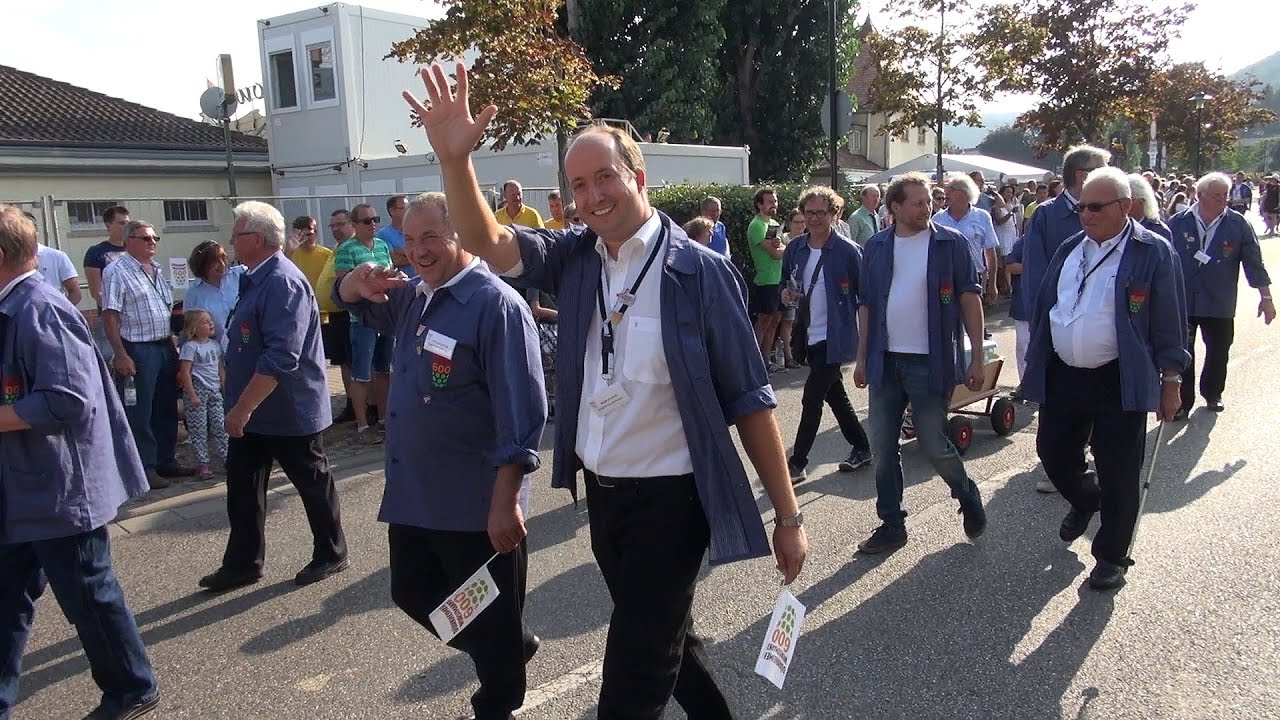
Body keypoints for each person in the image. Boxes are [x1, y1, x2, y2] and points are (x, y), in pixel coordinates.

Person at [404, 62, 806, 719]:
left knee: (630, 684)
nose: (591, 197)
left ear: (638, 178)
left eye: (605, 178)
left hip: (674, 506)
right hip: (604, 498)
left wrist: (788, 518)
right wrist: (456, 161)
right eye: (578, 185)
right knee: (667, 645)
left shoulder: (699, 273)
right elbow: (487, 242)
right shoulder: (575, 256)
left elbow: (751, 402)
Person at [337, 191, 546, 720]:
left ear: (459, 235)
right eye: (409, 239)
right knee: (411, 590)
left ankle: (497, 696)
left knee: (491, 612)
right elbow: (355, 305)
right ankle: (505, 649)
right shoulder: (415, 296)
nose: (419, 250)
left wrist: (507, 501)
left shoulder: (495, 304)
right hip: (415, 494)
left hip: (475, 502)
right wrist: (352, 280)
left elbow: (521, 412)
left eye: (431, 236)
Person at [0, 205, 161, 720]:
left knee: (89, 595)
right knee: (6, 600)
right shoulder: (14, 306)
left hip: (58, 488)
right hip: (24, 487)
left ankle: (132, 687)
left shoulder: (38, 308)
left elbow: (67, 398)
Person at [1020, 167, 1190, 590]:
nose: (1086, 215)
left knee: (1118, 470)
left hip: (1118, 375)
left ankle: (1111, 556)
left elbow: (1170, 322)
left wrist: (1172, 381)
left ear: (1125, 206)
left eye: (1096, 207)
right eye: (1081, 206)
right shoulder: (1070, 248)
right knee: (1052, 452)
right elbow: (1047, 305)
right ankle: (1085, 497)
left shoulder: (1153, 251)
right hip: (1065, 373)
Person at [198, 201, 348, 592]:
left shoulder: (282, 280)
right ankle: (244, 563)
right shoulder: (254, 277)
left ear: (260, 239)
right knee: (243, 489)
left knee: (312, 483)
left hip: (285, 407)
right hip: (253, 409)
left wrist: (242, 407)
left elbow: (283, 355)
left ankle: (332, 552)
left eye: (238, 232)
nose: (231, 238)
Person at [852, 172, 988, 554]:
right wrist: (861, 358)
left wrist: (976, 356)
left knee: (932, 441)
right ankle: (892, 524)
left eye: (929, 201)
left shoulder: (951, 244)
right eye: (918, 202)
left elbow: (969, 300)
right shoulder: (877, 246)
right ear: (894, 207)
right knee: (881, 445)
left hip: (931, 361)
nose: (927, 208)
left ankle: (966, 493)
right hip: (885, 360)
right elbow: (866, 305)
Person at [782, 186, 872, 483]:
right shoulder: (795, 248)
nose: (816, 219)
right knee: (835, 395)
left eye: (822, 212)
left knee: (812, 396)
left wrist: (865, 349)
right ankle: (861, 446)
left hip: (837, 336)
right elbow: (787, 284)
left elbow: (866, 299)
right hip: (808, 335)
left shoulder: (848, 252)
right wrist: (787, 294)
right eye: (810, 213)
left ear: (835, 214)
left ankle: (796, 463)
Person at [1167, 172, 1274, 418]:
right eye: (1216, 196)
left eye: (1225, 195)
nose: (1222, 200)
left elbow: (1253, 263)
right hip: (1184, 300)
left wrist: (1266, 298)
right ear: (1200, 195)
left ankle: (1213, 392)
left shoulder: (1237, 224)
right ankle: (1183, 402)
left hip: (1220, 301)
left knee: (1219, 349)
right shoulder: (1177, 222)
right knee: (1184, 352)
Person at [101, 220, 193, 489]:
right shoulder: (117, 271)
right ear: (129, 241)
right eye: (145, 238)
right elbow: (110, 316)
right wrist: (120, 354)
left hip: (164, 345)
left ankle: (166, 460)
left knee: (166, 407)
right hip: (138, 348)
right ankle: (144, 467)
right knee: (140, 411)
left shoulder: (157, 269)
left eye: (154, 239)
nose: (151, 243)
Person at [335, 203, 395, 444]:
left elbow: (389, 274)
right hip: (361, 319)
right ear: (355, 225)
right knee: (361, 373)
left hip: (385, 317)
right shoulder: (346, 249)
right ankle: (362, 424)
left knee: (384, 370)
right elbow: (341, 287)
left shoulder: (382, 245)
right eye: (367, 221)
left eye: (375, 219)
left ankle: (383, 419)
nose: (373, 224)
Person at [933, 174, 999, 308]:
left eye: (951, 189)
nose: (946, 192)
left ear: (964, 192)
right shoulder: (937, 219)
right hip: (946, 279)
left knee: (974, 321)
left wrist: (992, 284)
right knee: (947, 320)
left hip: (974, 277)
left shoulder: (982, 216)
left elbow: (990, 253)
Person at [178, 309, 228, 480]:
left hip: (214, 390)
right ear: (194, 328)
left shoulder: (215, 345)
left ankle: (227, 458)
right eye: (205, 322)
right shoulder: (190, 347)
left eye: (210, 320)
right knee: (199, 429)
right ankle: (203, 463)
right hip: (198, 390)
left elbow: (220, 368)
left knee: (221, 425)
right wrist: (192, 395)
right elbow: (185, 372)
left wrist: (224, 386)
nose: (211, 324)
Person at [82, 205, 131, 361]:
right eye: (121, 223)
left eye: (128, 223)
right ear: (108, 225)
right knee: (110, 360)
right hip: (111, 318)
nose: (126, 227)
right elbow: (96, 292)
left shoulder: (135, 250)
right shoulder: (96, 252)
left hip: (137, 319)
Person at [748, 186, 786, 372]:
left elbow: (784, 248)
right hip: (766, 280)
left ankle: (766, 360)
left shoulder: (773, 223)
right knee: (763, 321)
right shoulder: (756, 225)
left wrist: (782, 247)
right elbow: (776, 254)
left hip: (778, 279)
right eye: (770, 202)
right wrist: (781, 249)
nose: (774, 205)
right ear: (759, 204)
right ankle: (755, 362)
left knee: (775, 320)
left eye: (775, 201)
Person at [324, 210, 357, 422]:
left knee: (355, 363)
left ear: (352, 224)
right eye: (333, 226)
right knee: (343, 363)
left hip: (349, 314)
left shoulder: (354, 247)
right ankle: (351, 404)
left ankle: (362, 406)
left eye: (340, 224)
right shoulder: (336, 249)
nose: (336, 229)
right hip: (334, 315)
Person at [184, 240, 246, 351]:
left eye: (223, 258)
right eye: (215, 261)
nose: (222, 264)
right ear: (202, 265)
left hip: (248, 346)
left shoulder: (241, 275)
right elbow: (191, 330)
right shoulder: (193, 293)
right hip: (216, 354)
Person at [35, 236, 82, 304]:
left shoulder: (56, 256)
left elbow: (75, 293)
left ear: (36, 234)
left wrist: (61, 311)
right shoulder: (15, 260)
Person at [377, 195, 414, 276]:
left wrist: (401, 252)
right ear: (392, 211)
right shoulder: (383, 234)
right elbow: (394, 260)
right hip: (402, 283)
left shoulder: (415, 230)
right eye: (404, 208)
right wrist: (415, 257)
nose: (408, 211)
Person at [1127, 174, 1171, 240]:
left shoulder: (1159, 230)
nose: (1124, 205)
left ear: (1141, 202)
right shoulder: (1116, 228)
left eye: (1129, 200)